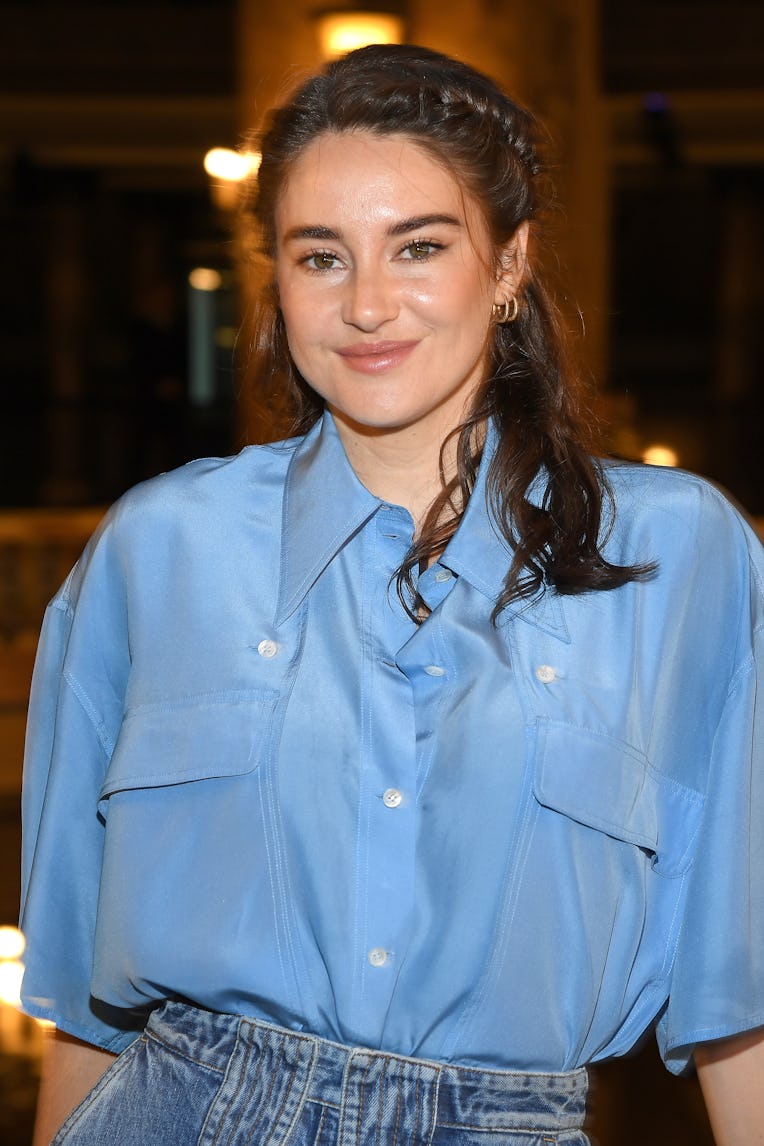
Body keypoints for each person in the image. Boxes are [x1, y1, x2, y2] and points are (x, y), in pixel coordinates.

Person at [19, 43, 764, 1146]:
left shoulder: (680, 554)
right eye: (320, 257)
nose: (367, 304)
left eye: (418, 246)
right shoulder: (157, 548)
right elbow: (80, 992)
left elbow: (735, 987)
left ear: (508, 265)